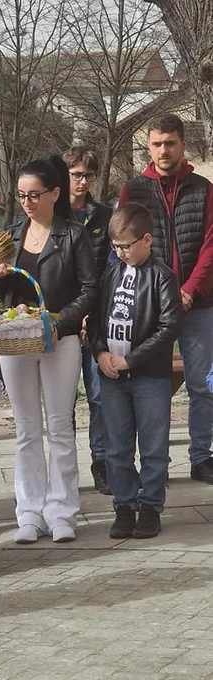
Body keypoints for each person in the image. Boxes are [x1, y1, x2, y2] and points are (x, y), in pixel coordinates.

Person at [0, 156, 97, 543]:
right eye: (21, 195)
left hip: (59, 340)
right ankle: (30, 512)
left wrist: (60, 320)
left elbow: (89, 289)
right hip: (16, 340)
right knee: (26, 429)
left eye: (34, 195)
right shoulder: (12, 234)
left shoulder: (73, 234)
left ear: (55, 193)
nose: (27, 202)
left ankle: (62, 510)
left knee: (60, 426)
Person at [119, 114, 213, 483]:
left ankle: (202, 456)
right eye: (157, 143)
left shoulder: (203, 189)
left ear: (182, 144)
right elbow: (124, 245)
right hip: (149, 306)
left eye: (170, 143)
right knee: (147, 385)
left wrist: (190, 290)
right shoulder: (134, 190)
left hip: (199, 303)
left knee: (203, 384)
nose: (163, 150)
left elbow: (210, 244)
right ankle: (152, 461)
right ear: (148, 146)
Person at [88, 203, 183, 538]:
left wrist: (132, 360)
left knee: (154, 446)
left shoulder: (162, 276)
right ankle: (124, 505)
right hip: (111, 375)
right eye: (115, 246)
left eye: (126, 246)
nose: (120, 252)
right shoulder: (111, 274)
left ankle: (151, 506)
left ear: (147, 240)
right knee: (117, 446)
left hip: (149, 376)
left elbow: (168, 326)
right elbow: (97, 319)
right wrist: (100, 352)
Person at [63, 146, 113, 495]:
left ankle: (103, 462)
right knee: (64, 399)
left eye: (89, 176)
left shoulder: (104, 216)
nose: (83, 181)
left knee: (99, 396)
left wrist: (90, 316)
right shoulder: (54, 215)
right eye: (77, 174)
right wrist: (72, 315)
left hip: (97, 319)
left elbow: (108, 270)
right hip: (64, 318)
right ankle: (64, 467)